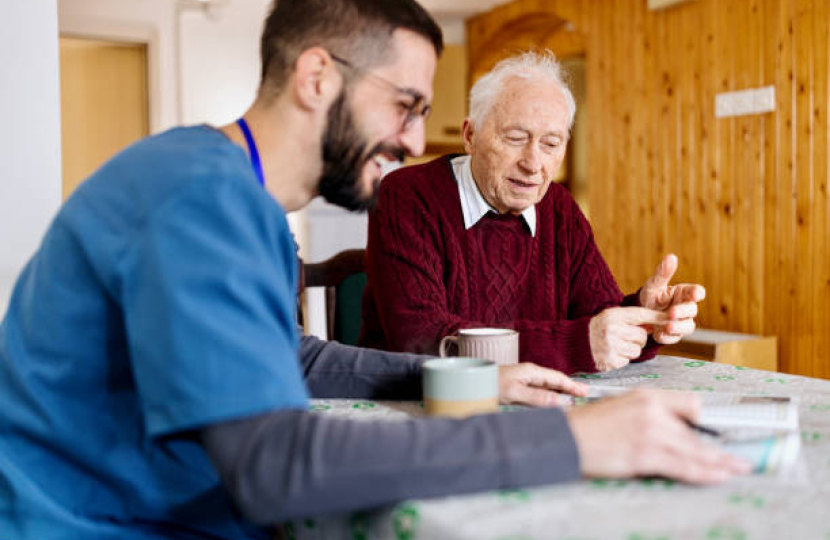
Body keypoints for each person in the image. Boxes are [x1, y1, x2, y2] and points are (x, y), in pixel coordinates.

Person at [0, 2, 747, 538]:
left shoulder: (243, 202)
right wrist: (577, 443)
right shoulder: (194, 197)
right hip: (100, 523)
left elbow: (295, 356)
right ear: (317, 76)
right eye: (404, 105)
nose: (418, 137)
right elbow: (273, 464)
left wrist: (467, 378)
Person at [360, 51, 705, 375]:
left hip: (532, 406)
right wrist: (576, 344)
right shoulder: (406, 196)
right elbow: (421, 338)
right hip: (421, 408)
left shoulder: (559, 207)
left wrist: (644, 319)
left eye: (551, 144)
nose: (533, 163)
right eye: (514, 138)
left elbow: (597, 318)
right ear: (470, 135)